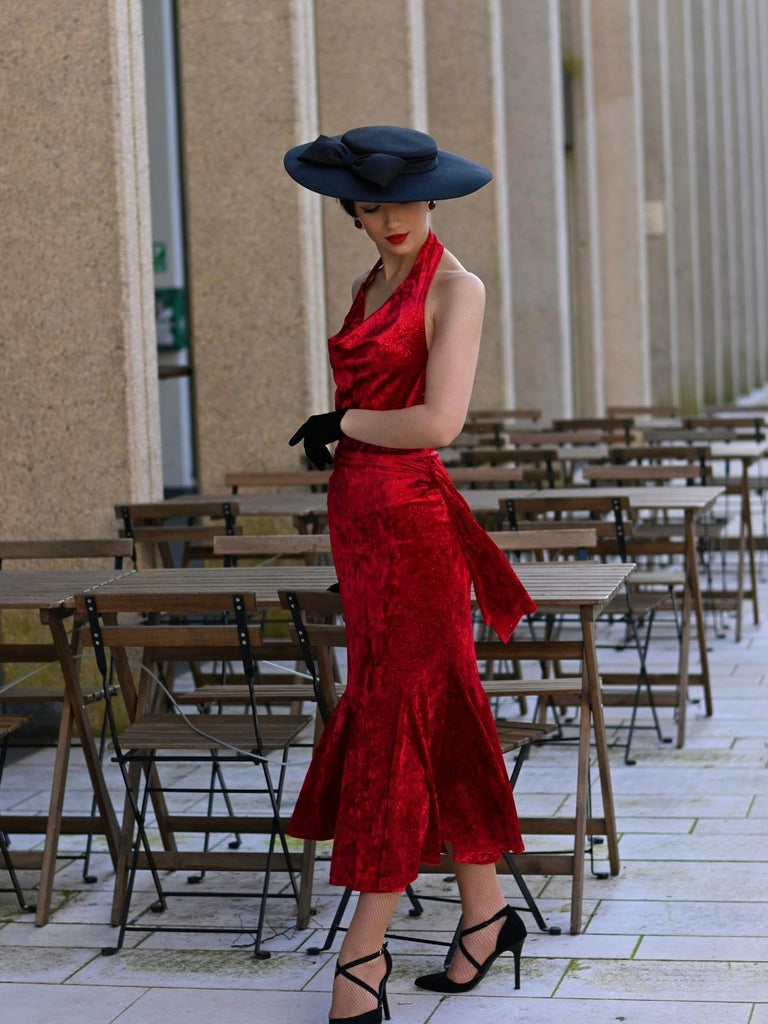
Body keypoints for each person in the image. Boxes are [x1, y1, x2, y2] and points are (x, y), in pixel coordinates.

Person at [284, 125, 536, 1024]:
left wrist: (343, 424)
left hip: (417, 531)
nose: (387, 217)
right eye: (369, 202)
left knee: (400, 713)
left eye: (401, 199)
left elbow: (439, 423)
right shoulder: (369, 282)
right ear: (351, 206)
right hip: (362, 526)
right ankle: (485, 915)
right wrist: (347, 430)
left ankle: (364, 956)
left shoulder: (456, 288)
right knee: (427, 709)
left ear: (432, 198)